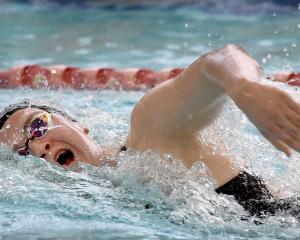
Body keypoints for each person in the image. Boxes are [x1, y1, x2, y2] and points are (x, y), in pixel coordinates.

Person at [0, 44, 300, 218]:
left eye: (37, 125)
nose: (38, 148)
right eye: (24, 151)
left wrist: (245, 87)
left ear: (79, 125)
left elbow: (218, 61)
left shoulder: (148, 132)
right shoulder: (103, 201)